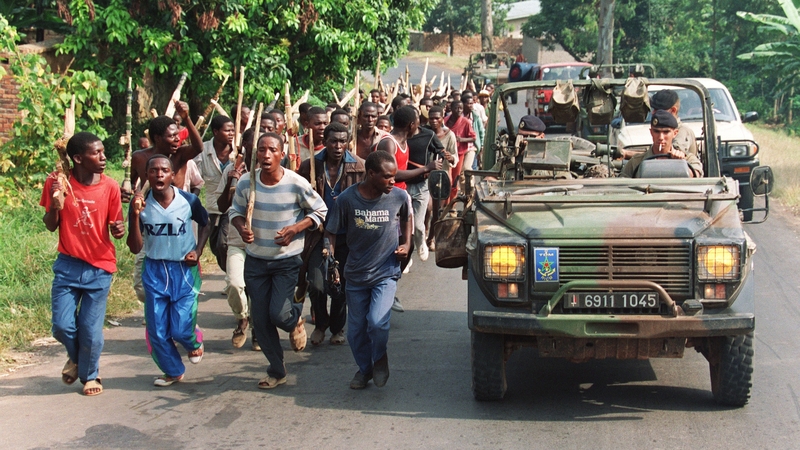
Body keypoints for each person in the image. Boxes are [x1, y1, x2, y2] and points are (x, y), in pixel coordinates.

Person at [229, 132, 327, 389]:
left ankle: (295, 321)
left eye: (272, 149)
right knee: (260, 321)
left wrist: (296, 229)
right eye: (262, 150)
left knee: (280, 314)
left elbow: (320, 210)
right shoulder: (246, 183)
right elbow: (234, 212)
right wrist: (242, 227)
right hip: (256, 260)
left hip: (286, 260)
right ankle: (276, 369)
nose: (266, 155)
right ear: (256, 154)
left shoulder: (296, 183)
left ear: (282, 154)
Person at [41, 132, 125, 396]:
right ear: (77, 158)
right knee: (62, 326)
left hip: (99, 267)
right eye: (96, 153)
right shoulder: (57, 181)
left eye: (102, 152)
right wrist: (56, 204)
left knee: (90, 329)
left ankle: (91, 374)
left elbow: (115, 227)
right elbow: (51, 225)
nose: (103, 157)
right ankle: (77, 358)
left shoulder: (110, 187)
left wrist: (120, 229)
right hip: (68, 265)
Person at [324, 150, 412, 389]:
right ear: (371, 174)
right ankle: (365, 370)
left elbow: (407, 218)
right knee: (355, 332)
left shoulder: (399, 196)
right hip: (355, 274)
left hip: (385, 272)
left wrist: (406, 243)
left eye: (394, 176)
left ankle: (380, 357)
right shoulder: (347, 199)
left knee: (377, 321)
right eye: (387, 177)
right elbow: (331, 231)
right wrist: (330, 259)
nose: (392, 181)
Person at [127, 154, 209, 387]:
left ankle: (193, 341)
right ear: (147, 176)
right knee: (157, 329)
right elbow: (135, 247)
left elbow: (206, 223)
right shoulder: (141, 207)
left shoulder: (188, 200)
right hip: (154, 269)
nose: (159, 174)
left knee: (182, 328)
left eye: (164, 170)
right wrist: (134, 217)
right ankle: (172, 370)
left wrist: (198, 251)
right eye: (153, 171)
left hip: (184, 269)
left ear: (173, 176)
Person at [298, 122, 365, 346]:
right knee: (317, 283)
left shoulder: (359, 167)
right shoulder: (310, 165)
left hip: (347, 235)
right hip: (318, 233)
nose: (338, 146)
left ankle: (337, 328)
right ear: (324, 142)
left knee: (341, 284)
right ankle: (320, 324)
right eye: (333, 141)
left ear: (348, 142)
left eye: (342, 141)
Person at [216, 129, 259, 350]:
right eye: (252, 146)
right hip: (237, 239)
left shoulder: (274, 173)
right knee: (234, 283)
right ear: (244, 146)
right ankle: (242, 318)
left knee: (259, 291)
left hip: (264, 242)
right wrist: (230, 182)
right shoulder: (233, 171)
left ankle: (258, 331)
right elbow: (222, 207)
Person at [194, 115, 235, 272]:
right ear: (216, 132)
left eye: (233, 130)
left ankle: (233, 275)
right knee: (214, 246)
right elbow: (196, 178)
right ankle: (230, 272)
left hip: (232, 206)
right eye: (227, 130)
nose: (231, 133)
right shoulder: (203, 151)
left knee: (223, 244)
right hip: (212, 206)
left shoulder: (239, 151)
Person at [620, 111, 703, 178]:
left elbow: (696, 176)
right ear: (651, 132)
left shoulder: (688, 159)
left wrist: (680, 164)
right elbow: (621, 186)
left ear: (675, 133)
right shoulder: (636, 162)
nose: (661, 137)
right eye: (657, 131)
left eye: (666, 132)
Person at [426, 105, 458, 250]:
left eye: (437, 118)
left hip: (441, 177)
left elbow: (454, 156)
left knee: (437, 210)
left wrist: (450, 158)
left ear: (442, 118)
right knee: (427, 208)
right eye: (431, 118)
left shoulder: (449, 135)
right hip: (424, 176)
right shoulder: (424, 133)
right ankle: (425, 232)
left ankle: (432, 238)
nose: (434, 121)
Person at [444, 99, 475, 202]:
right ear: (451, 109)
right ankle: (444, 203)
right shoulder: (445, 121)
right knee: (445, 179)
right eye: (456, 108)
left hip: (459, 154)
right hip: (445, 154)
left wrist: (461, 139)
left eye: (461, 108)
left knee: (454, 180)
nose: (459, 110)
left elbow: (473, 137)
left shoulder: (465, 122)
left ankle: (451, 205)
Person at [651, 89, 698, 156]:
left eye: (658, 110)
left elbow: (668, 154)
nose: (653, 113)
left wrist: (632, 154)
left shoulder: (682, 131)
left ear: (673, 110)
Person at [462, 93, 484, 171]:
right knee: (461, 172)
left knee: (469, 169)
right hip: (459, 148)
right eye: (469, 103)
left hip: (472, 147)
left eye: (472, 103)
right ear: (463, 104)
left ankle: (471, 183)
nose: (471, 105)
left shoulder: (476, 117)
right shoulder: (458, 117)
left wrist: (481, 146)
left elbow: (481, 132)